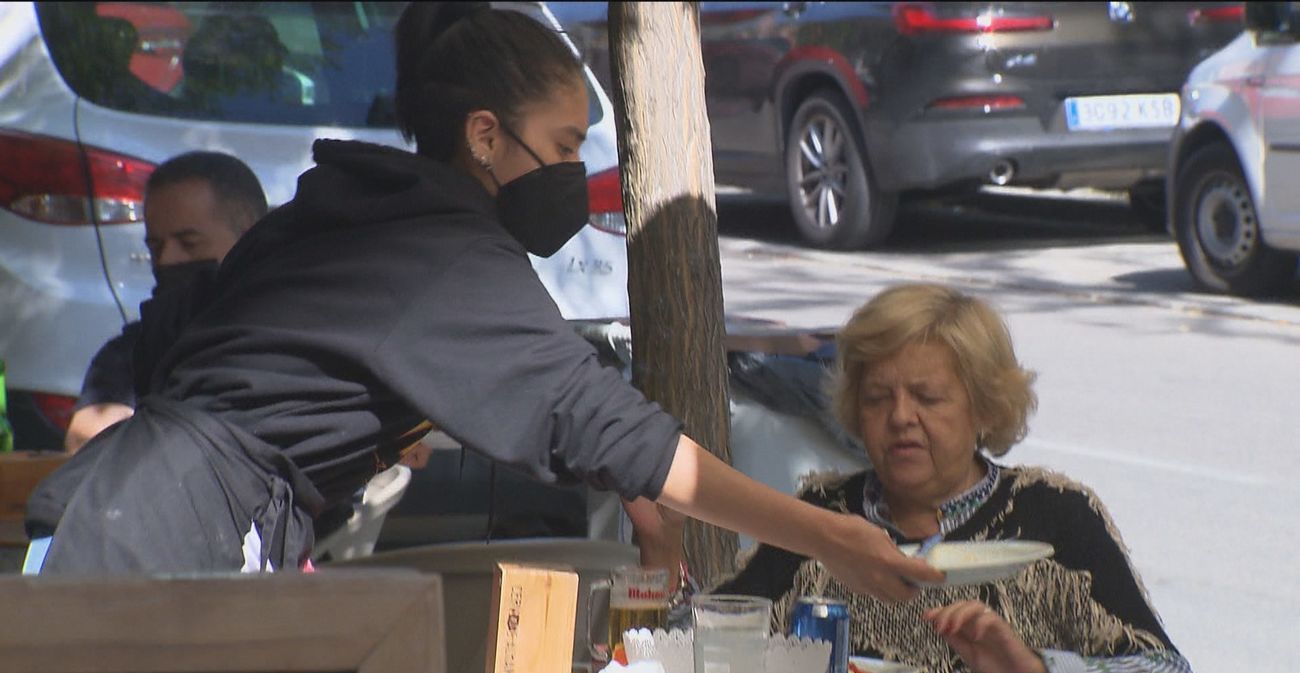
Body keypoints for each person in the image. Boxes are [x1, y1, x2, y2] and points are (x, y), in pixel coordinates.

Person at [24, 3, 942, 600]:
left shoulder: (348, 206)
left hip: (113, 517)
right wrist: (832, 535)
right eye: (564, 140)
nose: (577, 170)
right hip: (162, 551)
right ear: (486, 136)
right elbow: (609, 424)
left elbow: (208, 355)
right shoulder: (442, 252)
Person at [712, 284, 1200, 673]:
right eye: (878, 397)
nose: (901, 417)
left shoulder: (1055, 515)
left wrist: (1039, 672)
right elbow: (713, 645)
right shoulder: (826, 517)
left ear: (985, 409)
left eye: (928, 397)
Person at [64, 151, 269, 454]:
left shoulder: (301, 337)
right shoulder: (135, 350)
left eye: (189, 243)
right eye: (155, 246)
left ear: (250, 238)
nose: (167, 259)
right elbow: (87, 444)